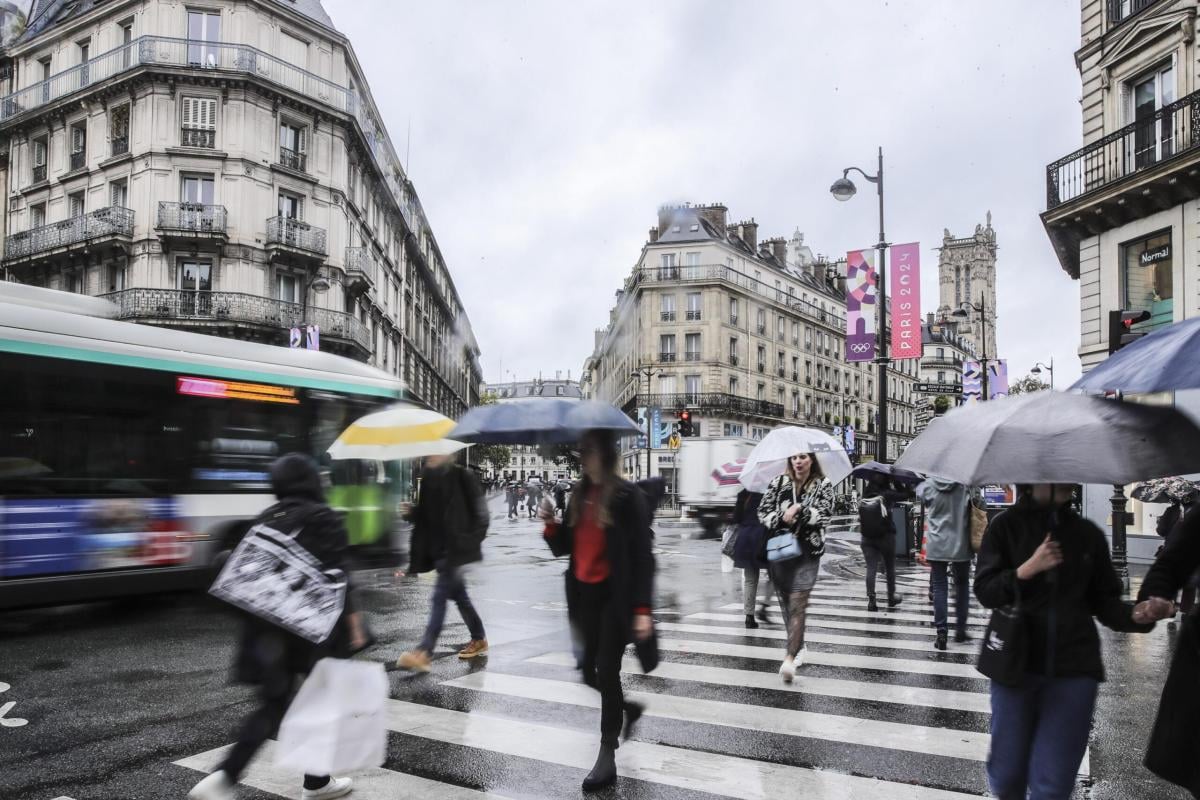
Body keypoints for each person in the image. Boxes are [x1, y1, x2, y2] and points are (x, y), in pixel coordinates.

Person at [189, 453, 366, 800]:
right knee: (320, 701)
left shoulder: (265, 517)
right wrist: (354, 623)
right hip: (308, 629)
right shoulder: (322, 517)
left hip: (266, 630)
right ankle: (312, 782)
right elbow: (337, 575)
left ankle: (228, 778)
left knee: (274, 703)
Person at [974, 483, 1155, 800]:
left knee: (1054, 785)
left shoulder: (1086, 534)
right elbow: (986, 590)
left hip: (1074, 669)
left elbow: (1106, 602)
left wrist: (1137, 616)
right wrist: (1027, 570)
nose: (1066, 480)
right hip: (1016, 665)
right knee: (1006, 776)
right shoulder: (1005, 525)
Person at [539, 429, 655, 791]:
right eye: (580, 451)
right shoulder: (579, 493)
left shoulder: (625, 496)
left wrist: (640, 608)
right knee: (588, 672)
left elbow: (642, 558)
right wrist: (550, 523)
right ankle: (627, 710)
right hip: (583, 598)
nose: (581, 455)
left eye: (588, 450)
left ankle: (607, 754)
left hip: (614, 600)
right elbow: (567, 548)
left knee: (607, 670)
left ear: (604, 453)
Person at [395, 453, 490, 672]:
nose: (432, 456)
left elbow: (481, 516)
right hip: (437, 551)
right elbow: (427, 516)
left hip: (456, 552)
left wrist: (467, 543)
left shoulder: (462, 476)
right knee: (460, 598)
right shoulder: (428, 478)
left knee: (439, 598)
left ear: (449, 454)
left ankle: (424, 652)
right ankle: (479, 638)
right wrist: (411, 513)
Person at [758, 452, 834, 682]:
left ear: (811, 460)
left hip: (809, 552)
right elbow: (763, 511)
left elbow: (826, 514)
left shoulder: (823, 484)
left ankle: (790, 657)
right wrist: (782, 516)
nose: (798, 461)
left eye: (803, 457)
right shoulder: (778, 483)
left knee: (798, 603)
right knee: (787, 605)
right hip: (782, 551)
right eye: (794, 458)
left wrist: (801, 510)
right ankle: (797, 643)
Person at [916, 477, 974, 650]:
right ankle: (961, 630)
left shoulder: (929, 485)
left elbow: (923, 498)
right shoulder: (965, 484)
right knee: (962, 585)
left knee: (940, 587)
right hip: (961, 542)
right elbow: (979, 503)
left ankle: (941, 632)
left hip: (937, 542)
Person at [859, 475, 911, 613]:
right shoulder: (886, 493)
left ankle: (871, 599)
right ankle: (891, 597)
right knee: (890, 567)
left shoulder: (866, 493)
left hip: (867, 537)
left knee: (871, 568)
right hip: (885, 535)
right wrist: (897, 481)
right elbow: (907, 495)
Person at [731, 488, 772, 628]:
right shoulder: (770, 492)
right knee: (775, 574)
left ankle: (749, 616)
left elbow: (736, 518)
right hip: (765, 538)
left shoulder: (743, 493)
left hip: (746, 538)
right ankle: (765, 607)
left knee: (750, 579)